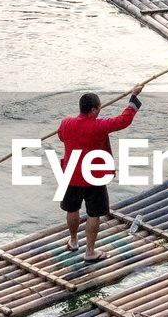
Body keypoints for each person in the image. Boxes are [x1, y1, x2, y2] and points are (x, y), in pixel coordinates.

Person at [57, 84, 145, 262]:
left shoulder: (66, 123)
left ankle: (73, 241)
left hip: (71, 174)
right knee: (93, 214)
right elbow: (123, 121)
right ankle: (90, 252)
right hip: (92, 177)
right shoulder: (98, 126)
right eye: (99, 108)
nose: (100, 110)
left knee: (72, 208)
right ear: (93, 110)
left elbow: (61, 136)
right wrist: (133, 97)